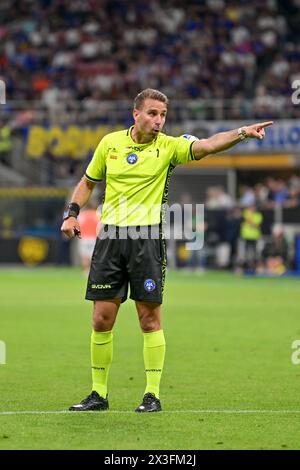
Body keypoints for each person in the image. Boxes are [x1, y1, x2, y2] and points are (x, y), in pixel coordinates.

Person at [61, 88, 273, 412]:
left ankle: (152, 395)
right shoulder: (110, 143)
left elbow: (208, 144)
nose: (159, 121)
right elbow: (88, 181)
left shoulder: (170, 147)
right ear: (136, 114)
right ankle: (98, 394)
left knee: (149, 319)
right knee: (101, 319)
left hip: (146, 242)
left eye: (163, 115)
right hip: (110, 241)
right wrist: (72, 213)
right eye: (152, 113)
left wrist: (242, 133)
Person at [76, 200, 100, 275]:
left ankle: (86, 270)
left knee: (85, 256)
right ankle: (93, 271)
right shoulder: (97, 215)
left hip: (84, 238)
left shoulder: (82, 215)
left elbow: (77, 226)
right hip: (94, 238)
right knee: (94, 256)